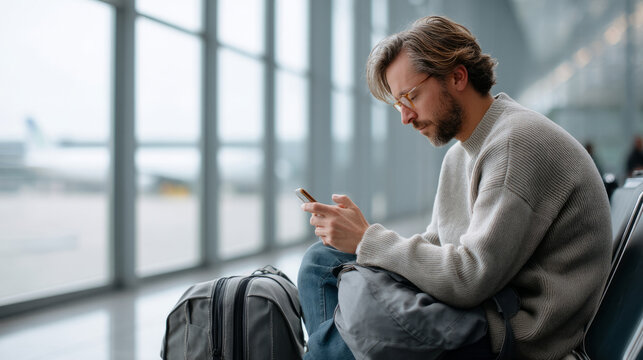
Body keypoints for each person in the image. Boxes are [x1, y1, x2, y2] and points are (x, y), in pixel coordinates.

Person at [297, 15, 612, 360]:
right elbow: (439, 245)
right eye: (398, 104)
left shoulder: (516, 143)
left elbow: (470, 278)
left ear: (458, 76)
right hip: (478, 307)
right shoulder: (461, 154)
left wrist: (367, 239)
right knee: (322, 261)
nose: (405, 116)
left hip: (508, 330)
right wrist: (362, 242)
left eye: (411, 96)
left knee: (354, 335)